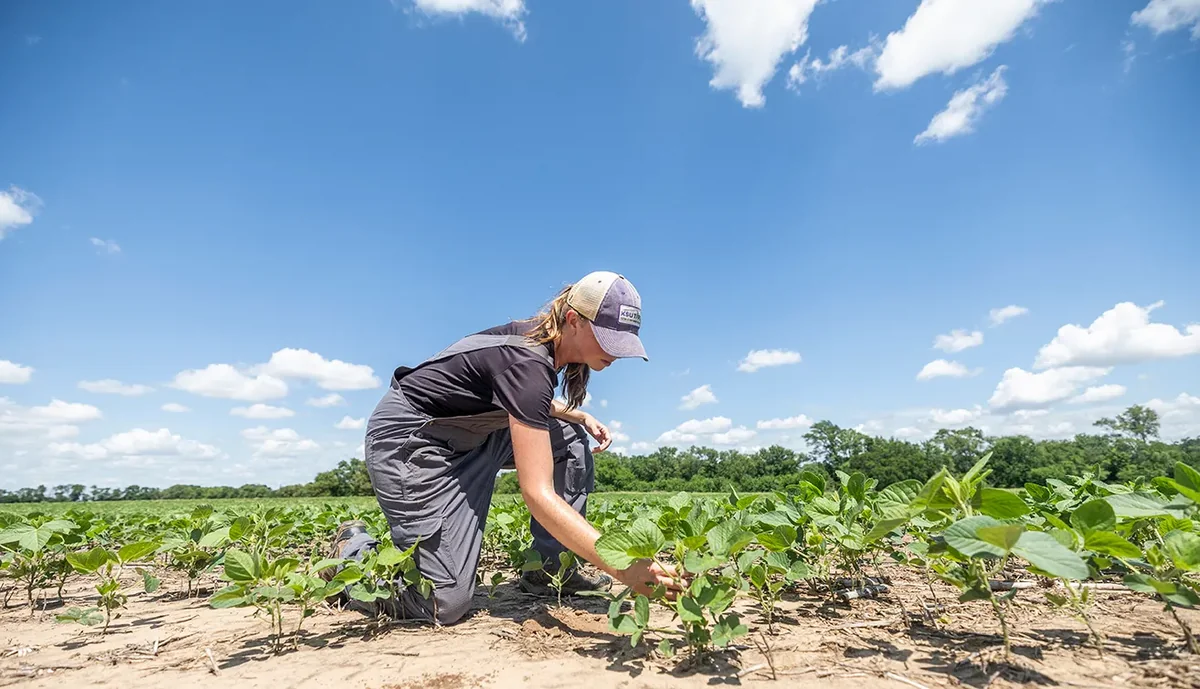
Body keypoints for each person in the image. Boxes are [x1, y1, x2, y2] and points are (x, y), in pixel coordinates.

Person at [327, 271, 681, 625]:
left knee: (570, 438)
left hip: (471, 435)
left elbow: (507, 393)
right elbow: (537, 493)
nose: (615, 353)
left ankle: (549, 571)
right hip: (415, 443)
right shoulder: (526, 361)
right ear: (574, 320)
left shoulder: (536, 347)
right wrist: (623, 566)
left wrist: (577, 415)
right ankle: (351, 553)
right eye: (608, 339)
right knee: (441, 601)